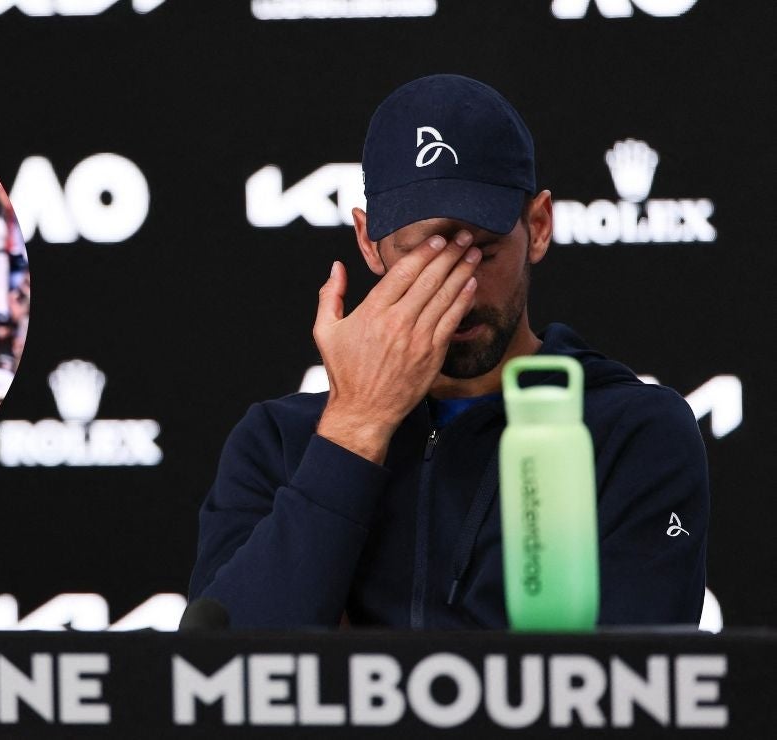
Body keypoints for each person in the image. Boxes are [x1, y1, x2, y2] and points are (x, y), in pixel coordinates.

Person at [188, 74, 709, 629]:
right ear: (368, 243)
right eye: (420, 255)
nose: (458, 290)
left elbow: (630, 674)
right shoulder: (277, 442)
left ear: (537, 227)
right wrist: (356, 427)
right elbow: (225, 667)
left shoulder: (629, 431)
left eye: (483, 251)